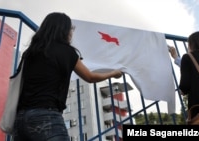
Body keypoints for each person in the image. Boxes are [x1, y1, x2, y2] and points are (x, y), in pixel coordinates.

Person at [12, 12, 123, 141]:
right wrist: (114, 73)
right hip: (47, 116)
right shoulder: (67, 51)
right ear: (63, 30)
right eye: (70, 29)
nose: (71, 33)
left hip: (20, 119)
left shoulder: (30, 52)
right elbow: (90, 77)